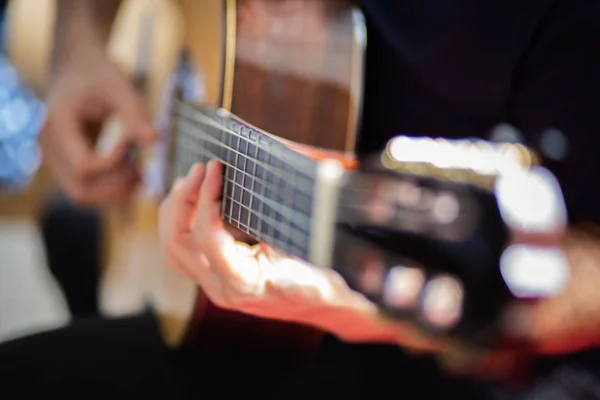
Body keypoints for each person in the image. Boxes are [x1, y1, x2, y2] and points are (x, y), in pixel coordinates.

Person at [3, 0, 600, 398]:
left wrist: (349, 308)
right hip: (202, 177)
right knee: (73, 233)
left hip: (406, 320)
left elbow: (573, 290)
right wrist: (77, 52)